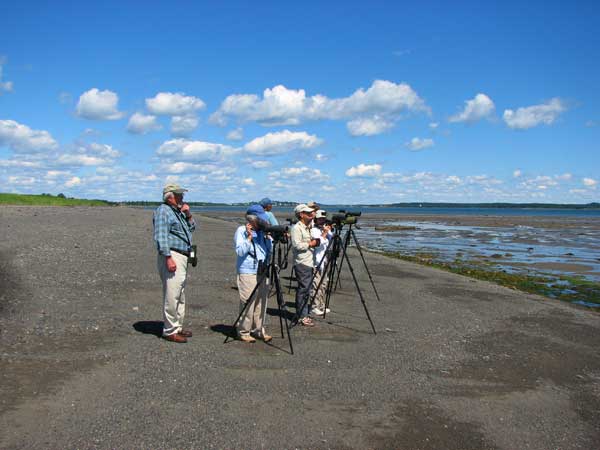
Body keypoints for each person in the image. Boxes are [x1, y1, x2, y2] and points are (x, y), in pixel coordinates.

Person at [153, 183, 196, 343]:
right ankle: (169, 330)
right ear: (170, 196)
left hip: (182, 255)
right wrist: (168, 257)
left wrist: (188, 214)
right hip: (172, 255)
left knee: (179, 294)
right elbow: (161, 236)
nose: (182, 197)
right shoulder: (163, 211)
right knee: (172, 294)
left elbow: (191, 229)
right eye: (179, 195)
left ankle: (177, 326)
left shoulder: (177, 212)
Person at [233, 204, 273, 343]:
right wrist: (249, 238)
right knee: (248, 302)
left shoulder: (262, 232)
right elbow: (240, 251)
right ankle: (243, 331)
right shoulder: (241, 230)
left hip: (262, 269)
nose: (262, 221)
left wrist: (269, 238)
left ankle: (258, 329)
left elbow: (269, 251)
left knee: (262, 302)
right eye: (260, 219)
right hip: (248, 270)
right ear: (252, 219)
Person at [290, 203, 320, 326]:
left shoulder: (308, 226)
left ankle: (303, 313)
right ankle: (302, 316)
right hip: (302, 262)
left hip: (309, 261)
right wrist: (311, 244)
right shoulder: (297, 228)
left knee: (306, 289)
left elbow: (315, 211)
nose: (312, 215)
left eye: (312, 213)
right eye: (308, 213)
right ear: (301, 215)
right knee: (304, 289)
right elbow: (296, 245)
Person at [310, 210, 333, 316]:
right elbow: (318, 243)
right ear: (316, 219)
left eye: (323, 219)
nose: (322, 221)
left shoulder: (325, 229)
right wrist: (324, 233)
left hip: (324, 260)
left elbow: (332, 239)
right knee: (316, 284)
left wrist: (328, 231)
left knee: (323, 284)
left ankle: (321, 305)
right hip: (316, 261)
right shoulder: (313, 230)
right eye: (320, 219)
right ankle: (314, 306)